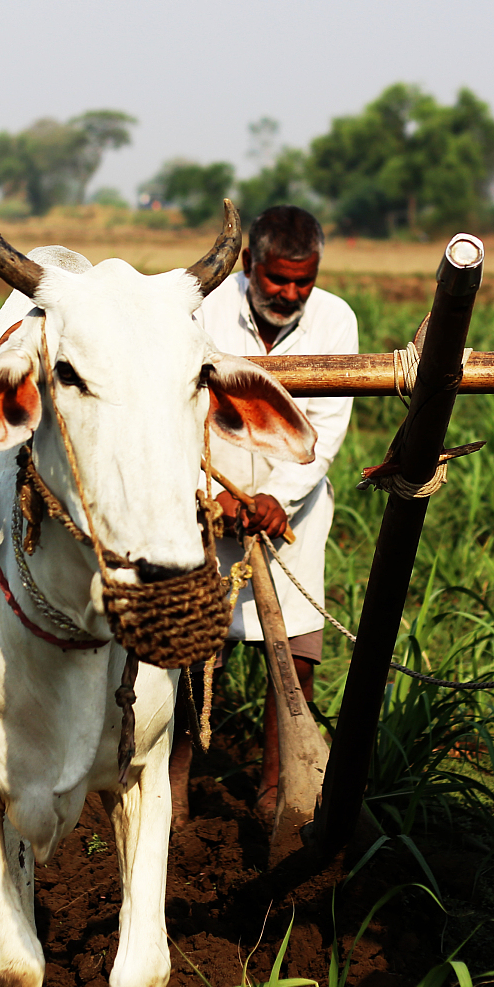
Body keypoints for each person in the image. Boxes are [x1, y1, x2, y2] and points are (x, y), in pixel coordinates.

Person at [174, 205, 357, 818]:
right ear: (249, 264)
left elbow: (324, 428)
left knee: (295, 656)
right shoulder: (199, 312)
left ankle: (281, 791)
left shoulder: (335, 322)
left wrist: (279, 497)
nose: (291, 293)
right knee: (194, 651)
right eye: (278, 278)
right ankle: (170, 786)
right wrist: (210, 487)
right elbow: (176, 409)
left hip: (291, 520)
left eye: (303, 280)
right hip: (203, 507)